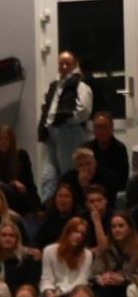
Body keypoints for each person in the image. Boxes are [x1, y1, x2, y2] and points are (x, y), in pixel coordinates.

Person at [38, 50, 93, 200]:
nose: (64, 66)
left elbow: (84, 111)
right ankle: (48, 206)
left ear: (74, 65)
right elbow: (46, 108)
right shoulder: (53, 87)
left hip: (69, 132)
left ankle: (74, 206)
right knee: (48, 175)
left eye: (67, 64)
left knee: (69, 174)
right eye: (61, 64)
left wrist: (64, 120)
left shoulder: (80, 86)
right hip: (51, 133)